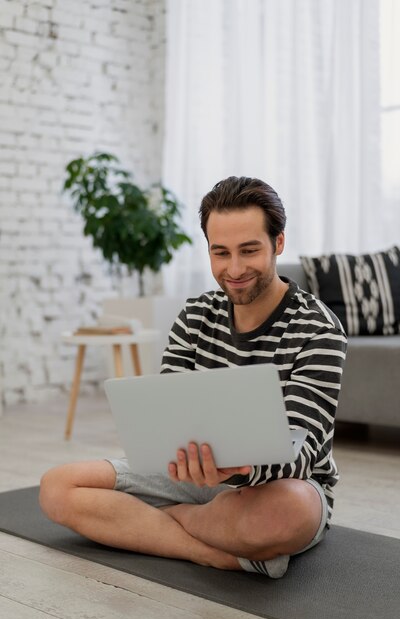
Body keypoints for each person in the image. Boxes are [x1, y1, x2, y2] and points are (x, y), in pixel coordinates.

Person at [40, 176, 347, 578]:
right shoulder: (196, 315)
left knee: (289, 512)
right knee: (58, 487)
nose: (233, 269)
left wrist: (237, 471)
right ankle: (209, 551)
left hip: (278, 486)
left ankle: (157, 522)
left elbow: (301, 452)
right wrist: (181, 457)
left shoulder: (319, 329)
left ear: (279, 243)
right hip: (190, 473)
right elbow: (169, 417)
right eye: (220, 253)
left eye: (249, 250)